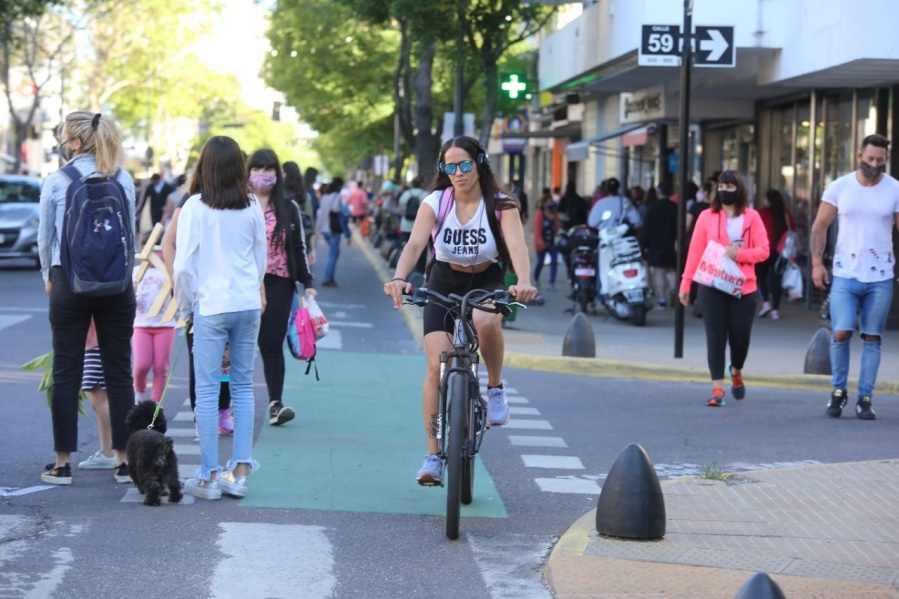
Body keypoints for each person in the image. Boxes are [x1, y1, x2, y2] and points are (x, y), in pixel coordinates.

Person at [383, 135, 537, 485]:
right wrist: (399, 278)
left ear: (479, 163)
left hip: (487, 279)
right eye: (450, 167)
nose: (458, 173)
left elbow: (517, 246)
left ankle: (495, 389)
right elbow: (415, 245)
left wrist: (524, 281)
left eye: (464, 164)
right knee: (436, 367)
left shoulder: (501, 205)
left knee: (485, 320)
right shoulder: (435, 203)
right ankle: (432, 456)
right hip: (443, 281)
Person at [37, 111, 136, 485]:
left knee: (66, 372)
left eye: (63, 136)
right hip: (117, 286)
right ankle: (123, 462)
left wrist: (49, 277)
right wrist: (125, 276)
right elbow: (130, 236)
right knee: (119, 372)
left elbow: (46, 238)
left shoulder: (58, 180)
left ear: (76, 142)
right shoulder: (122, 178)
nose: (60, 142)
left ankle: (62, 464)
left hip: (69, 282)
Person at [173, 135, 267, 500]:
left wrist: (185, 306)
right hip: (247, 303)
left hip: (211, 304)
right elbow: (259, 258)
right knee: (242, 385)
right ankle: (240, 473)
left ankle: (209, 476)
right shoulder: (252, 204)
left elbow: (183, 266)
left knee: (208, 390)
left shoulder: (195, 206)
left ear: (205, 166)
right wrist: (251, 287)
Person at [811, 133, 899, 421]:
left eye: (880, 160)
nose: (874, 164)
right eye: (870, 158)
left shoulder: (894, 189)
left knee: (872, 337)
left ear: (886, 159)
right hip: (845, 275)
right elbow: (820, 226)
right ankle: (838, 391)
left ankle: (865, 398)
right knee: (841, 332)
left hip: (880, 277)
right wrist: (816, 263)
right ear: (859, 156)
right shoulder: (840, 187)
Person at [678, 170, 769, 407]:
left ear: (739, 190)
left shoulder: (752, 217)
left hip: (743, 288)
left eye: (729, 187)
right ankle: (717, 389)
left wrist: (741, 255)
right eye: (721, 187)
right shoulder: (706, 216)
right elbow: (695, 251)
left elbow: (764, 250)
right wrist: (686, 283)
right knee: (715, 336)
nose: (724, 191)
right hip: (711, 284)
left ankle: (736, 370)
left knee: (740, 338)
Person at [246, 149, 316, 426]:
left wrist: (307, 283)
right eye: (257, 169)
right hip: (242, 283)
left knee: (271, 343)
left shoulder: (289, 207)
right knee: (234, 345)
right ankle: (226, 405)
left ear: (278, 174)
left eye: (269, 169)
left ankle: (276, 403)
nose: (262, 175)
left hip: (278, 283)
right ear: (248, 172)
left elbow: (298, 248)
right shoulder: (237, 204)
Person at [162, 195, 235, 435]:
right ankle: (201, 414)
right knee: (200, 358)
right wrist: (176, 282)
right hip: (198, 293)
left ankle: (222, 409)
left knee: (227, 358)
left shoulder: (235, 197)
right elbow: (169, 244)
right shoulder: (190, 202)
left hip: (229, 293)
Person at [77, 320, 116, 470]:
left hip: (96, 345)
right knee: (101, 401)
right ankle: (107, 452)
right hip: (105, 343)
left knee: (98, 403)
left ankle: (130, 444)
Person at [756, 189, 795, 321]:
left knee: (760, 276)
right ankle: (775, 311)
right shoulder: (786, 214)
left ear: (767, 200)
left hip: (763, 250)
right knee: (777, 280)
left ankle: (766, 303)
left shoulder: (761, 213)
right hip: (781, 252)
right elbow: (792, 231)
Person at [640, 182, 678, 309]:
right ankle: (673, 288)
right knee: (672, 269)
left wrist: (644, 245)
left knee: (659, 271)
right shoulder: (675, 208)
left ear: (658, 193)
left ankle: (662, 299)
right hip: (672, 243)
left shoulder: (652, 209)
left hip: (656, 244)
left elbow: (646, 229)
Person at [283, 161, 316, 265]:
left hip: (280, 246)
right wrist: (312, 250)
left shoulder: (276, 196)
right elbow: (310, 224)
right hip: (300, 244)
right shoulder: (305, 196)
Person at [315, 177, 345, 287]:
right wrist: (343, 210)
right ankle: (327, 277)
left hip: (324, 229)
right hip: (333, 229)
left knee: (335, 253)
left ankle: (330, 277)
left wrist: (318, 230)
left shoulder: (325, 197)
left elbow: (320, 213)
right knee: (333, 254)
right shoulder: (336, 196)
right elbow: (335, 208)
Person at [533, 191, 560, 292]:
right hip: (542, 243)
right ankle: (536, 279)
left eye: (551, 201)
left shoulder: (554, 213)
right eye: (548, 202)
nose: (550, 204)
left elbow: (557, 226)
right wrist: (540, 242)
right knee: (540, 262)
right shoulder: (540, 214)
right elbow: (537, 230)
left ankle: (552, 283)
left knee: (554, 261)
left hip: (552, 243)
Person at [398, 176, 427, 241]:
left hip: (406, 226)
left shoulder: (406, 194)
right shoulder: (426, 195)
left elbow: (400, 210)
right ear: (422, 184)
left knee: (406, 244)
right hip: (421, 227)